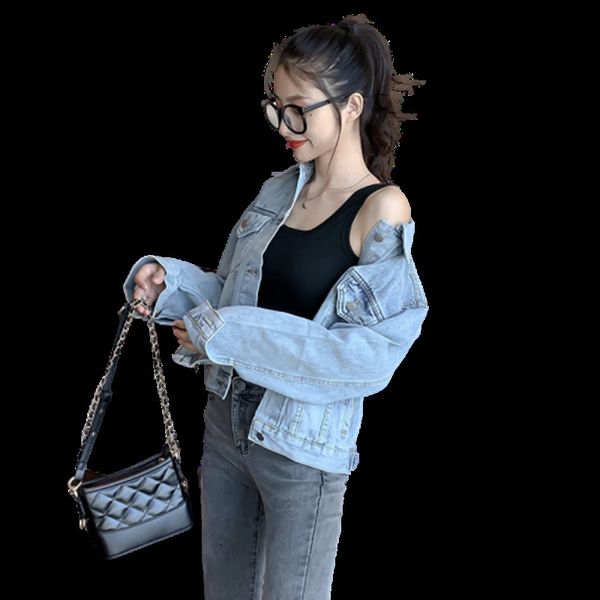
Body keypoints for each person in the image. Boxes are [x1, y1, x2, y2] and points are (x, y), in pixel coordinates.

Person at [123, 13, 428, 599]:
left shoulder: (382, 209)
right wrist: (171, 285)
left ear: (352, 106)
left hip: (301, 446)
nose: (283, 126)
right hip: (224, 425)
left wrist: (226, 334)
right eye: (276, 107)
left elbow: (365, 357)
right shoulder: (278, 190)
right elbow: (232, 298)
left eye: (298, 110)